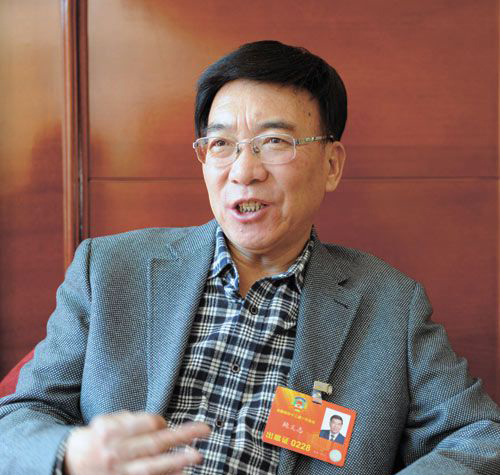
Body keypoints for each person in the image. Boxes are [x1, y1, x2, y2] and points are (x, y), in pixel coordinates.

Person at [0, 40, 499, 475]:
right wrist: (71, 454)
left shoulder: (390, 307)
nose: (243, 171)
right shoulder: (110, 270)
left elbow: (481, 438)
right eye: (221, 144)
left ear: (331, 164)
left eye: (274, 142)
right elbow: (14, 420)